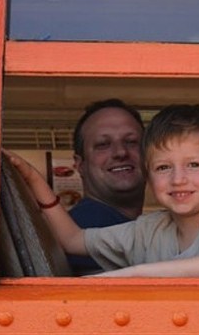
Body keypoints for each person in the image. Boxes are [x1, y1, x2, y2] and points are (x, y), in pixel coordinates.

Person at [5, 104, 199, 277]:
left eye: (193, 165)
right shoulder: (148, 229)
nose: (178, 179)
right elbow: (73, 239)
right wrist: (34, 179)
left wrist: (134, 273)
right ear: (148, 176)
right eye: (163, 168)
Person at [67, 98, 146, 275]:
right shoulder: (85, 228)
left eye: (132, 141)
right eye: (103, 145)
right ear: (80, 165)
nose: (121, 152)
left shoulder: (144, 230)